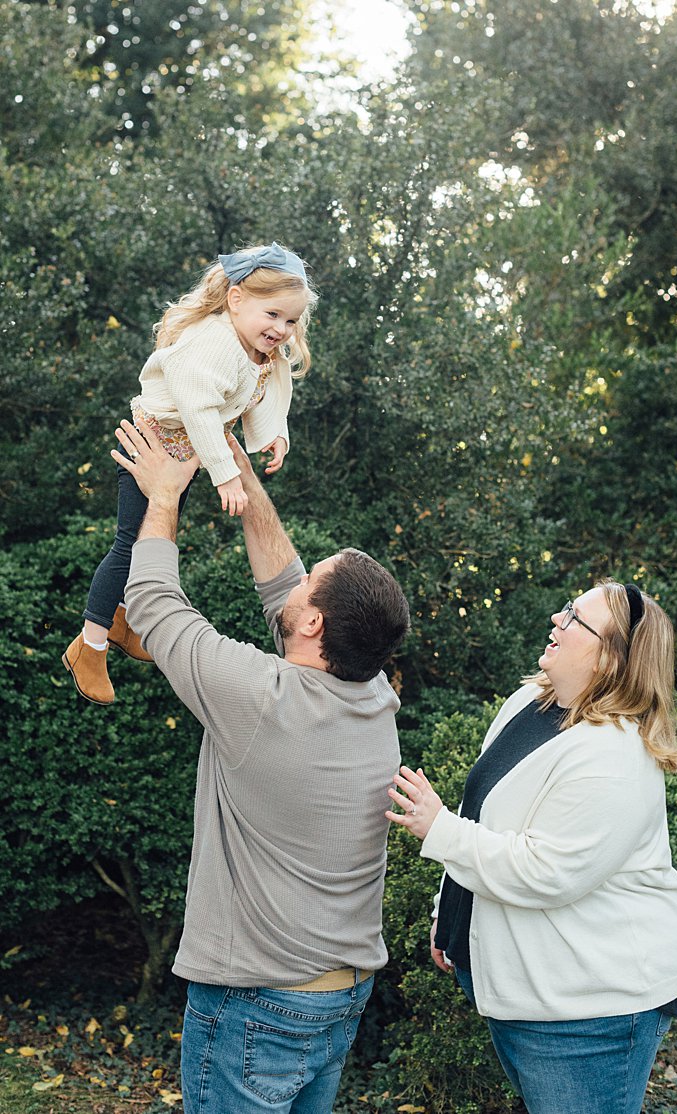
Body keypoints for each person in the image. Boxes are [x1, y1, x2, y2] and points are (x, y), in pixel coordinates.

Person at [111, 417, 410, 1113]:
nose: (299, 582)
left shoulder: (262, 698)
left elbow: (154, 604)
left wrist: (164, 495)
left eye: (316, 584)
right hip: (339, 996)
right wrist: (230, 463)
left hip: (258, 1004)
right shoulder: (371, 691)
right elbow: (284, 580)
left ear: (315, 627)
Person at [385, 579, 677, 1114]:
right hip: (533, 991)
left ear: (610, 659)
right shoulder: (531, 702)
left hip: (591, 1013)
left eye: (576, 618)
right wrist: (451, 914)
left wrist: (435, 828)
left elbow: (547, 871)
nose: (558, 619)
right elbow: (481, 810)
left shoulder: (614, 755)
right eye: (568, 609)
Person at [63, 242, 315, 705]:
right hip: (154, 445)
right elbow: (199, 409)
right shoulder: (214, 342)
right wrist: (225, 475)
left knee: (153, 542)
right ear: (236, 299)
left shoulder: (256, 348)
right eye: (273, 314)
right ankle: (89, 645)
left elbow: (258, 393)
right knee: (129, 543)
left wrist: (272, 436)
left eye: (291, 320)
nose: (281, 329)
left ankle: (122, 619)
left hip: (186, 454)